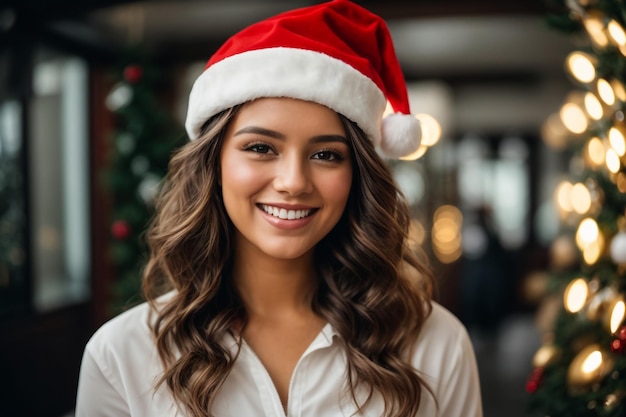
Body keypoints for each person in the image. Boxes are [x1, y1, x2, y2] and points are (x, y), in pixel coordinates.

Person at [75, 1, 483, 416]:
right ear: (213, 165)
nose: (293, 182)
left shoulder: (436, 342)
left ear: (357, 176)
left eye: (326, 155)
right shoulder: (121, 356)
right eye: (260, 148)